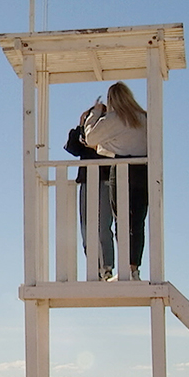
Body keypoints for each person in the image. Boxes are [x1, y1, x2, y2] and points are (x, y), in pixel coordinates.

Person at [82, 81, 149, 281]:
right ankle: (133, 268)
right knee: (137, 223)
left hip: (121, 170)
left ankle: (124, 270)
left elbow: (90, 138)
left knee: (121, 220)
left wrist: (94, 113)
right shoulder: (144, 117)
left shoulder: (114, 118)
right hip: (144, 171)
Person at [65, 108, 114, 277]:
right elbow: (73, 148)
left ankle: (106, 267)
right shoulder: (84, 134)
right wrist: (80, 125)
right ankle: (95, 267)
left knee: (102, 227)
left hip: (106, 180)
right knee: (86, 228)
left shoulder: (109, 129)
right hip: (87, 182)